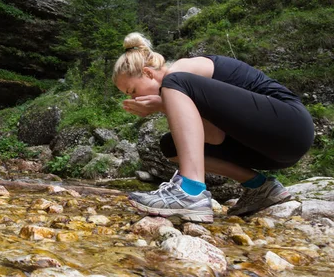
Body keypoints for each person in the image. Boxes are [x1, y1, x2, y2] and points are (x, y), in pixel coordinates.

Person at [113, 32, 314, 223]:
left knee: (173, 82)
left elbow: (177, 86)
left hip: (291, 125)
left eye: (133, 91)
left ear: (148, 73)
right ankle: (260, 188)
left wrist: (162, 103)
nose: (134, 98)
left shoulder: (180, 71)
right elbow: (214, 135)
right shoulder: (178, 92)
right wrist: (163, 106)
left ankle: (190, 192)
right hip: (268, 149)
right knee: (170, 146)